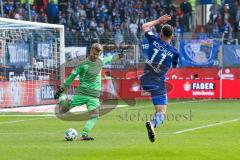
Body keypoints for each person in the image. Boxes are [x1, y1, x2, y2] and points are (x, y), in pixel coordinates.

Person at [56, 43, 124, 141]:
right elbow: (71, 77)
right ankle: (62, 97)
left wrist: (120, 55)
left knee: (95, 115)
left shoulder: (101, 62)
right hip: (81, 94)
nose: (96, 56)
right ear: (91, 51)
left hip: (93, 97)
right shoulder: (82, 64)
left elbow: (110, 59)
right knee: (62, 111)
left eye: (98, 54)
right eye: (94, 53)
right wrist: (62, 90)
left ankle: (84, 134)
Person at [140, 15, 179, 142]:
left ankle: (153, 125)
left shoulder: (154, 39)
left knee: (158, 109)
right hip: (158, 81)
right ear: (172, 36)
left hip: (145, 79)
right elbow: (173, 66)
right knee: (161, 112)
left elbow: (144, 26)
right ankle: (152, 124)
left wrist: (158, 21)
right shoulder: (175, 52)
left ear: (160, 34)